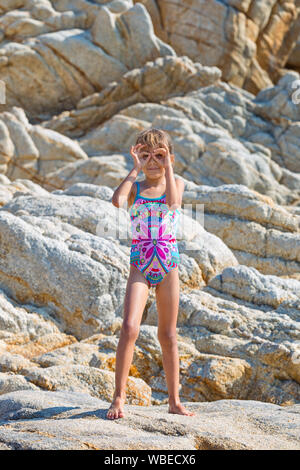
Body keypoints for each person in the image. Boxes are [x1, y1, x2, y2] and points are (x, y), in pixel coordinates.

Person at [106, 128, 195, 419]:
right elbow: (116, 201)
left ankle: (174, 400)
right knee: (130, 327)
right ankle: (119, 398)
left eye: (159, 155)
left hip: (168, 266)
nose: (153, 161)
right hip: (140, 266)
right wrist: (135, 169)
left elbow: (173, 203)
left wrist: (168, 166)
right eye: (147, 155)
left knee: (168, 335)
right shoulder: (136, 187)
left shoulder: (176, 182)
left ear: (169, 157)